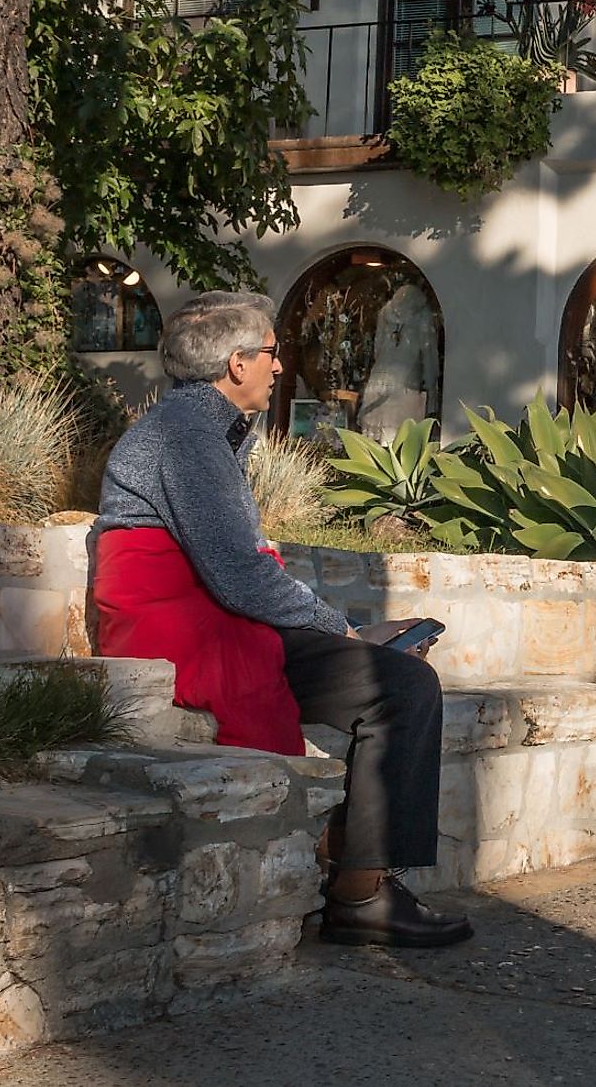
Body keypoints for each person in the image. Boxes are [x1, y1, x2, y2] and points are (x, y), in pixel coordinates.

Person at [91, 291, 471, 949]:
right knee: (401, 689)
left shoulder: (205, 431)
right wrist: (343, 632)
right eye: (271, 353)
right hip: (192, 631)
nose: (278, 366)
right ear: (236, 364)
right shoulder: (187, 436)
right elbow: (239, 575)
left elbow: (237, 574)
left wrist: (346, 636)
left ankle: (359, 881)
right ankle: (361, 895)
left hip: (219, 620)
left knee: (397, 680)